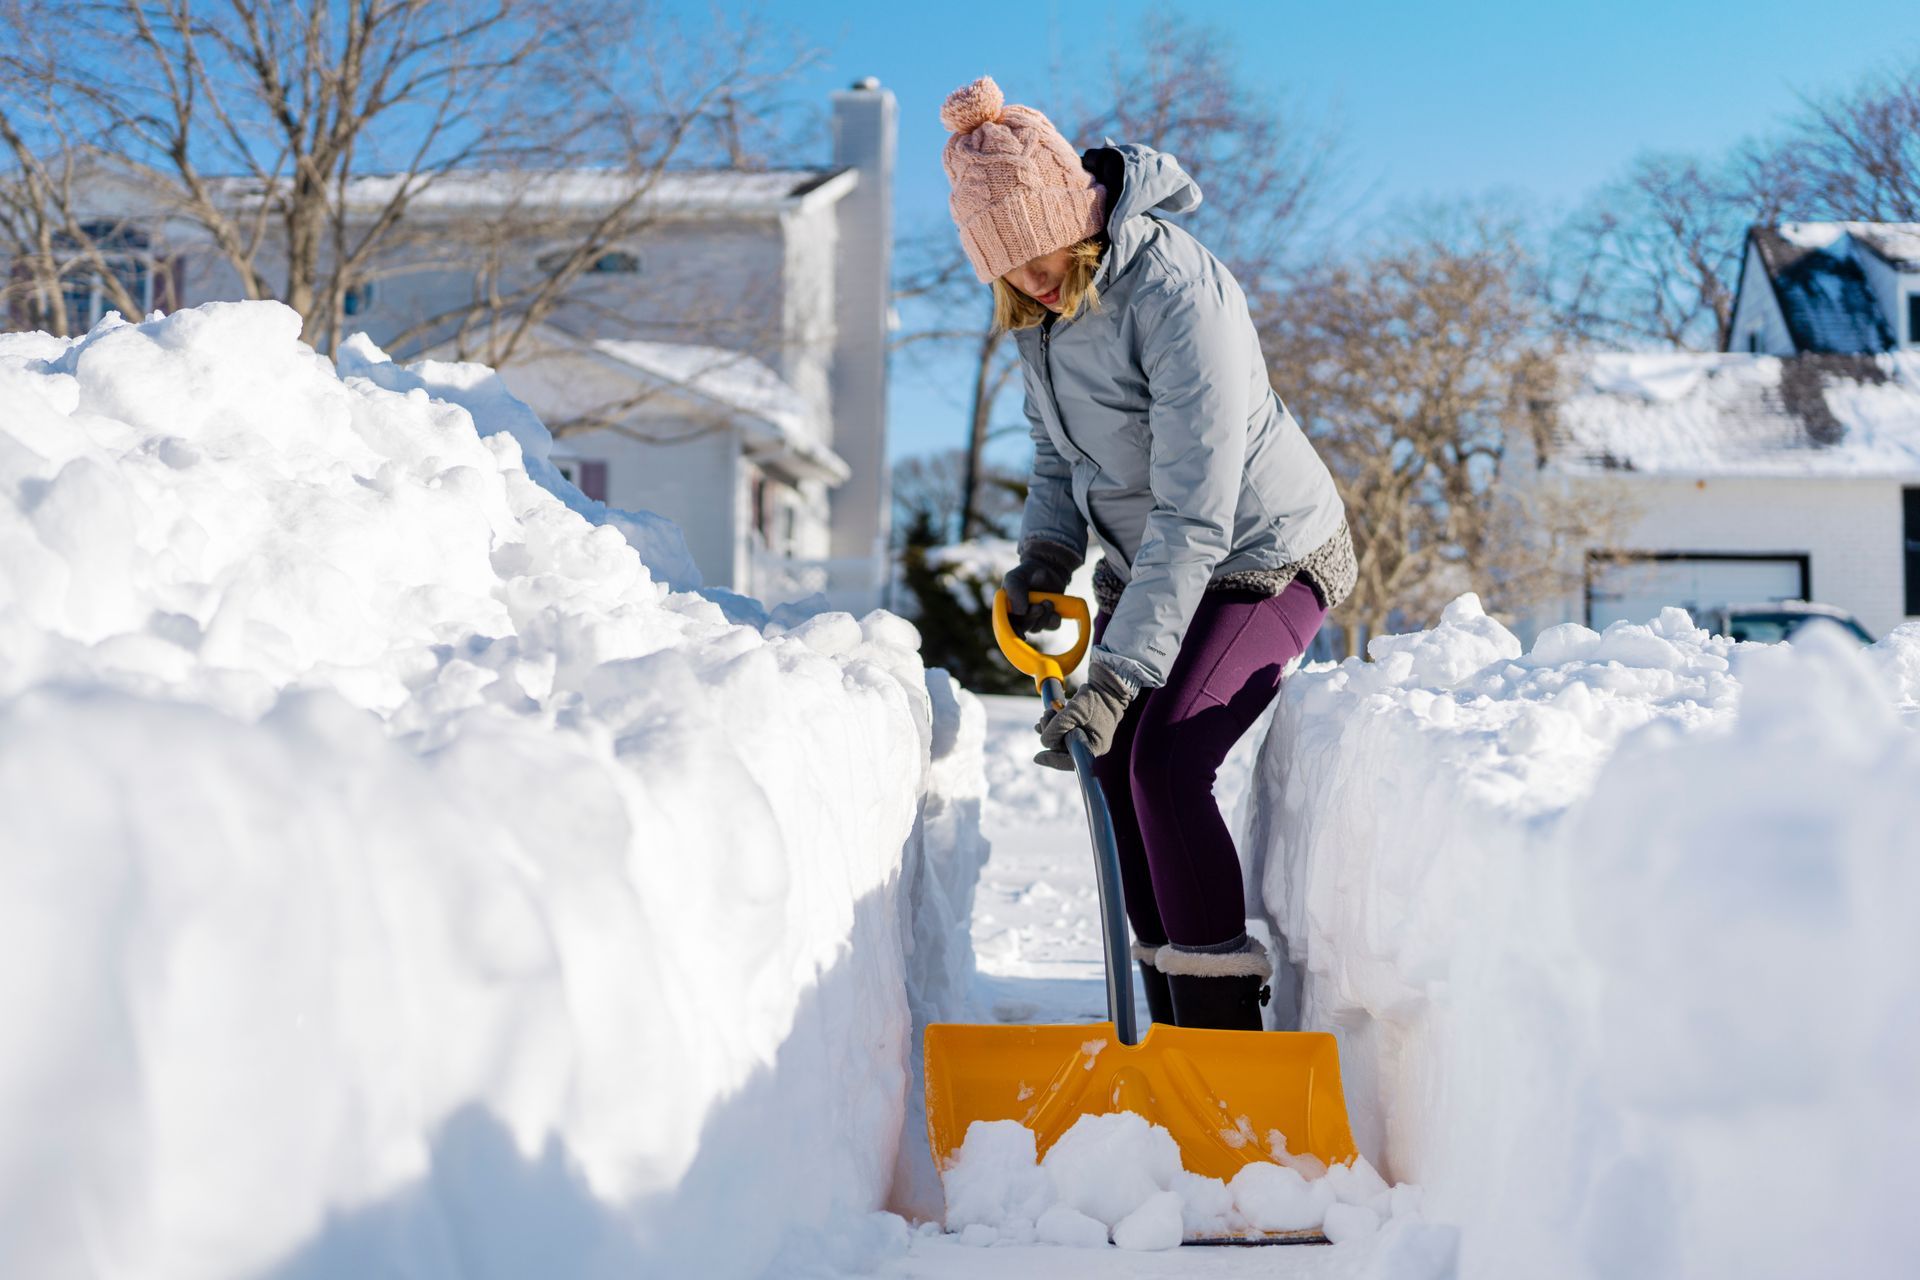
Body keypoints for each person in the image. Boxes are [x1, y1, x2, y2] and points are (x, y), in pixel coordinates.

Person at [939, 76, 1357, 1032]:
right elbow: (1058, 450)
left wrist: (1123, 670)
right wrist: (1046, 555)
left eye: (1043, 254)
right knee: (1116, 755)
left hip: (1263, 554)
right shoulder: (1040, 313)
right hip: (1160, 566)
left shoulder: (1175, 289)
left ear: (1074, 216)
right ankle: (1166, 1028)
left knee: (1165, 757)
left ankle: (1222, 1039)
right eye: (1010, 267)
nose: (1035, 279)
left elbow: (1196, 511)